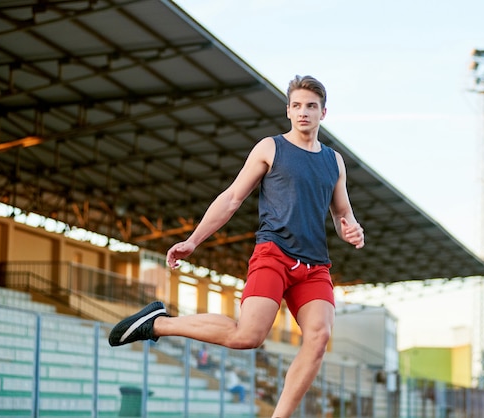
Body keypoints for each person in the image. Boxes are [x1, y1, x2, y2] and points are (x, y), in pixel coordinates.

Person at [109, 75, 365, 418]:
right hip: (274, 254)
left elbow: (342, 213)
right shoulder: (271, 148)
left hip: (314, 265)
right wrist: (193, 240)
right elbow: (231, 198)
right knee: (248, 336)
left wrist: (351, 228)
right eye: (297, 106)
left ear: (323, 113)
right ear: (288, 111)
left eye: (311, 106)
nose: (304, 112)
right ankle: (158, 323)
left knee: (319, 337)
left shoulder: (334, 161)